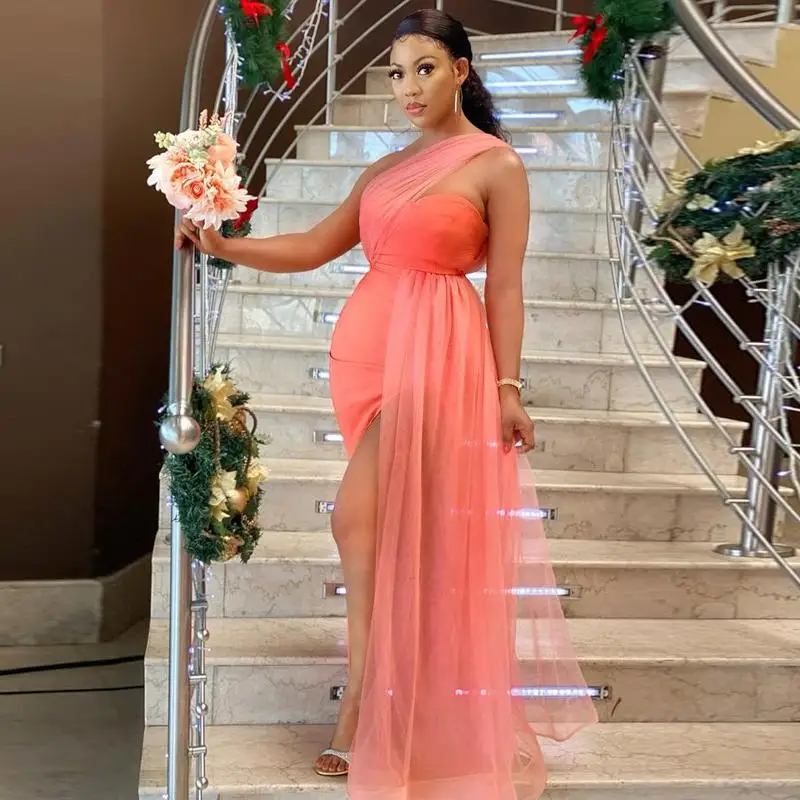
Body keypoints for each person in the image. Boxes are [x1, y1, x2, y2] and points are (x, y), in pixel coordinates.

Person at [176, 9, 597, 799]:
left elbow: (505, 288)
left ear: (461, 70)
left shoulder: (496, 164)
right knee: (384, 538)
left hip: (439, 357)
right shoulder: (384, 168)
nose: (409, 87)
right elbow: (314, 247)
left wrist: (508, 388)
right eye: (398, 72)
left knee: (357, 519)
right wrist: (225, 245)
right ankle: (388, 696)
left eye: (425, 69)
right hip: (364, 364)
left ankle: (368, 708)